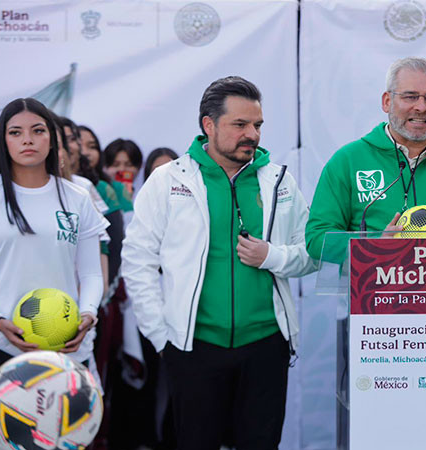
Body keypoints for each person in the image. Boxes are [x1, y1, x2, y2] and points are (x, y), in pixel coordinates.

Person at [122, 76, 316, 449]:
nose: (252, 134)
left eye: (257, 125)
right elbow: (137, 260)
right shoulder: (168, 181)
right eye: (239, 124)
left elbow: (310, 253)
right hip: (194, 346)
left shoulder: (280, 182)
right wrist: (162, 337)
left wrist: (272, 256)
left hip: (266, 345)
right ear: (208, 125)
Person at [305, 57, 426, 262]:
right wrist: (374, 246)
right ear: (387, 101)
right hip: (374, 291)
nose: (421, 107)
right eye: (410, 97)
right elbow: (317, 239)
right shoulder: (348, 161)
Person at [0, 98, 108, 370]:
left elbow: (91, 274)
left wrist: (88, 314)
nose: (28, 140)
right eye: (15, 132)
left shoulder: (78, 197)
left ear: (52, 139)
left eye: (38, 130)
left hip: (63, 350)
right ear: (3, 141)